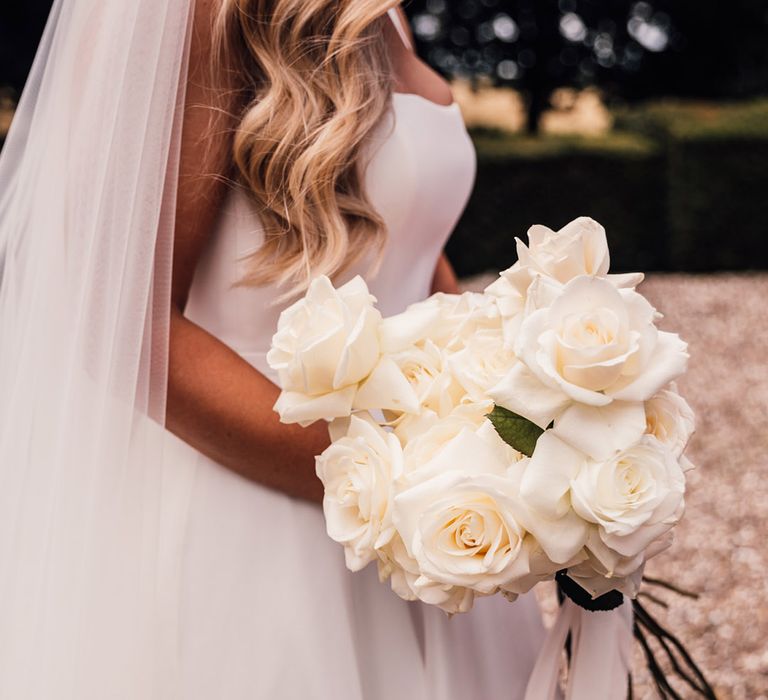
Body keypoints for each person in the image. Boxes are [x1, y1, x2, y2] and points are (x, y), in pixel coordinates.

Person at [0, 2, 630, 698]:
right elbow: (117, 322)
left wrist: (535, 413)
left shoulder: (382, 12)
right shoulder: (196, 16)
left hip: (425, 524)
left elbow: (405, 247)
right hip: (254, 519)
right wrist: (395, 484)